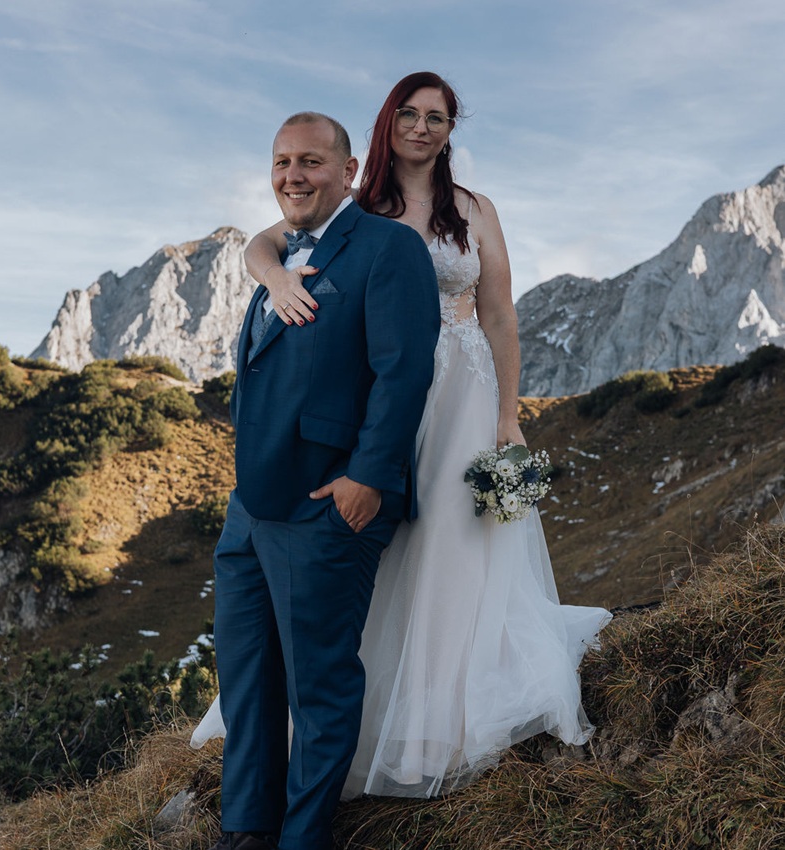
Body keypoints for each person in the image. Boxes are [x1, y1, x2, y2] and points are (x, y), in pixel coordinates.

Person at [198, 73, 611, 804]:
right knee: (370, 548)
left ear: (451, 130)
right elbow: (265, 242)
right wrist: (274, 280)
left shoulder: (475, 210)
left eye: (437, 118)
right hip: (379, 393)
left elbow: (499, 313)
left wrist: (508, 415)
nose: (422, 128)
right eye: (409, 115)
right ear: (386, 125)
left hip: (461, 394)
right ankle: (349, 713)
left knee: (452, 543)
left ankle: (434, 723)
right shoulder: (356, 206)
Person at [201, 111, 440, 850]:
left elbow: (404, 371)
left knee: (319, 686)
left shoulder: (389, 247)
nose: (292, 175)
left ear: (348, 171)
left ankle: (302, 838)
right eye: (281, 162)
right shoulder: (279, 253)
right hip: (251, 509)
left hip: (325, 505)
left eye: (309, 161)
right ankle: (246, 828)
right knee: (246, 678)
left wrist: (366, 477)